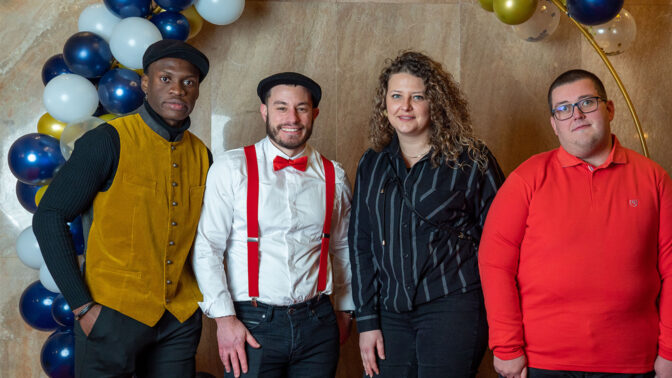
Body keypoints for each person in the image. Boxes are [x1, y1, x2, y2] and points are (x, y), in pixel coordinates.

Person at [33, 39, 212, 377]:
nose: (177, 89)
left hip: (178, 320)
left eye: (188, 82)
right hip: (111, 315)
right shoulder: (108, 139)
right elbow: (50, 215)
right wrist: (82, 306)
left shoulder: (202, 154)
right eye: (165, 78)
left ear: (197, 91)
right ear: (145, 83)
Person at [479, 69, 672, 378]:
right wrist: (506, 347)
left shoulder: (653, 179)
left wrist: (670, 351)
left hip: (632, 361)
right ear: (554, 125)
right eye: (564, 108)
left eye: (587, 102)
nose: (577, 114)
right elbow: (494, 264)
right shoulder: (526, 179)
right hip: (541, 362)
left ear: (609, 109)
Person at [349, 51, 505, 378]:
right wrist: (366, 321)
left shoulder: (472, 159)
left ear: (435, 103)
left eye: (417, 97)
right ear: (385, 103)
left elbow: (502, 241)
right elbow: (360, 243)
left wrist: (506, 326)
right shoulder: (372, 162)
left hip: (454, 305)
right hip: (389, 312)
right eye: (396, 96)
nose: (405, 106)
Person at [192, 72, 354, 378]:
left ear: (314, 113)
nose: (291, 118)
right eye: (281, 107)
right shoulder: (231, 167)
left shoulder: (334, 175)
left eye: (301, 108)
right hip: (252, 322)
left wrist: (346, 309)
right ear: (264, 111)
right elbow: (208, 246)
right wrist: (225, 319)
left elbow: (343, 246)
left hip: (318, 322)